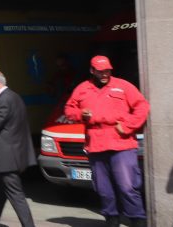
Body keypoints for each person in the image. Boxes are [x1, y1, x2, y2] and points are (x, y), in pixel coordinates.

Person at [64, 55, 149, 227]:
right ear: (92, 71)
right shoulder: (82, 89)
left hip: (121, 143)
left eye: (107, 70)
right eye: (101, 71)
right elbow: (69, 109)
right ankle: (112, 220)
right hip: (96, 144)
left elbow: (142, 106)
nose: (105, 74)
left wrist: (127, 126)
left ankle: (137, 220)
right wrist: (81, 115)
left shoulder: (123, 86)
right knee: (104, 190)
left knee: (127, 186)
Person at [0, 68, 35, 227]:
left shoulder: (4, 100)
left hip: (7, 158)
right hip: (7, 156)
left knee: (16, 196)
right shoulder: (13, 97)